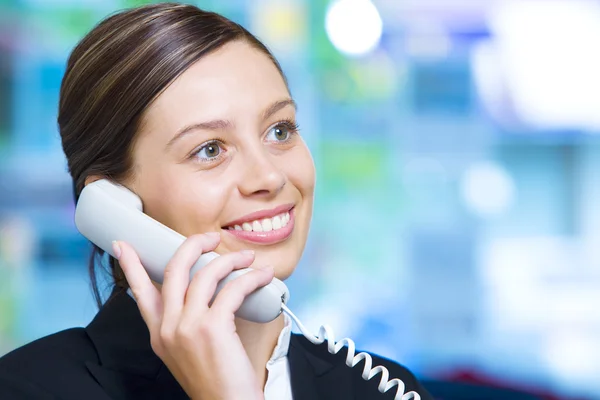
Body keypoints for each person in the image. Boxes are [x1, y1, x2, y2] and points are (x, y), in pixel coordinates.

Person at [0, 3, 433, 399]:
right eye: (209, 149)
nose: (269, 176)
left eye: (280, 130)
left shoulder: (380, 388)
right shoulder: (28, 388)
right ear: (111, 204)